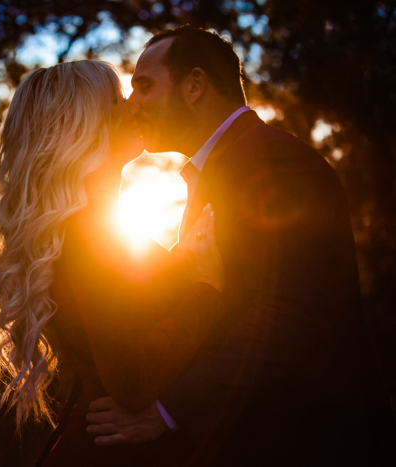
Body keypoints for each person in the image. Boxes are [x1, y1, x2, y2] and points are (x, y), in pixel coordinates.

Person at [84, 25, 396, 466]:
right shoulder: (226, 166)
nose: (132, 103)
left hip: (309, 440)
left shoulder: (275, 162)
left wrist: (169, 410)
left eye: (145, 86)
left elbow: (288, 311)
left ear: (195, 85)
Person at [0, 60, 227, 466]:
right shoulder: (88, 233)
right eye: (116, 99)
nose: (132, 106)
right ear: (83, 125)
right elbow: (131, 377)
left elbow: (127, 314)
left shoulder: (92, 226)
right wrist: (206, 291)